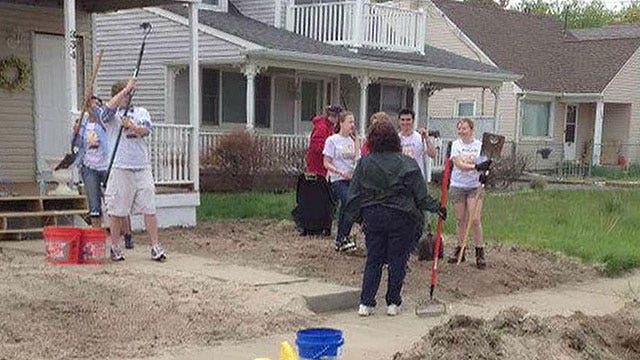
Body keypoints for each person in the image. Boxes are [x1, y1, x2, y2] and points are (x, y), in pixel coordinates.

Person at [344, 120, 446, 317]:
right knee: (397, 260)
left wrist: (359, 218)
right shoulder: (407, 163)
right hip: (402, 216)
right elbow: (420, 196)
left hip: (373, 215)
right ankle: (393, 303)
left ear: (372, 140)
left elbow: (353, 195)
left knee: (373, 259)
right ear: (394, 139)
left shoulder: (364, 163)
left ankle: (366, 304)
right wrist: (438, 208)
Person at [103, 79, 166, 262]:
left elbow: (146, 130)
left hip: (141, 166)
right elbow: (106, 112)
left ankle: (155, 246)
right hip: (120, 166)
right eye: (124, 94)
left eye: (129, 94)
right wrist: (123, 92)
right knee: (117, 209)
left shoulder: (141, 112)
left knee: (149, 207)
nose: (127, 98)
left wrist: (132, 126)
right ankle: (115, 246)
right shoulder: (112, 115)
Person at [447, 118, 492, 269]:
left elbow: (486, 163)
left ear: (471, 129)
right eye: (459, 128)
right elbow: (458, 164)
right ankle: (460, 249)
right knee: (460, 219)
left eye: (464, 128)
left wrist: (484, 171)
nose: (461, 131)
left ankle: (480, 252)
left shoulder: (480, 146)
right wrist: (476, 166)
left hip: (474, 186)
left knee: (475, 219)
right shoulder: (456, 145)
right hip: (458, 185)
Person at [323, 111, 358, 252]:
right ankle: (342, 237)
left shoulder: (353, 141)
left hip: (351, 179)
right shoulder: (332, 140)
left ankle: (342, 238)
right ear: (341, 123)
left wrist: (356, 143)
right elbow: (326, 162)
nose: (352, 125)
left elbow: (357, 161)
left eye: (353, 122)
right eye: (350, 122)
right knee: (348, 200)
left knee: (348, 207)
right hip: (337, 179)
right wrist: (339, 172)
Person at [397, 109, 437, 179]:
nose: (405, 122)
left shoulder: (419, 137)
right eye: (402, 120)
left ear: (413, 121)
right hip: (400, 176)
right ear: (399, 121)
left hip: (416, 176)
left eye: (408, 120)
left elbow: (432, 154)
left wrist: (427, 139)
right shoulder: (396, 139)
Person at [306, 105, 342, 176]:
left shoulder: (329, 127)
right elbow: (316, 147)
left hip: (322, 165)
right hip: (317, 165)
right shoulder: (322, 127)